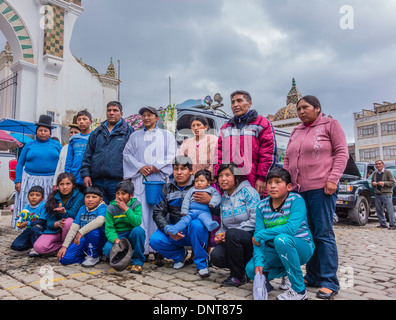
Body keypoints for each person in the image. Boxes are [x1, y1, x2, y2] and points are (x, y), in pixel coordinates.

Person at [283, 95, 349, 299]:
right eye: (298, 109)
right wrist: (286, 184)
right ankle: (312, 276)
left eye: (305, 107)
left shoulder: (330, 125)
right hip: (298, 191)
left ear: (317, 108)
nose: (301, 111)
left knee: (323, 234)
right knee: (307, 235)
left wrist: (333, 179)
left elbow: (341, 153)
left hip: (322, 189)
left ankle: (329, 280)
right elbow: (287, 159)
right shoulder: (296, 130)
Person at [245, 167, 315, 300]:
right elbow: (258, 239)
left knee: (281, 239)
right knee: (251, 269)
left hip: (301, 247)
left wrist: (262, 234)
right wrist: (259, 262)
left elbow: (291, 229)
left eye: (278, 182)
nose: (272, 186)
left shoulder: (296, 200)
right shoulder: (261, 206)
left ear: (289, 186)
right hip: (275, 250)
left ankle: (299, 291)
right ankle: (285, 273)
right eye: (269, 182)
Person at [149, 156, 218, 278]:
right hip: (176, 229)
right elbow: (158, 213)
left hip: (194, 230)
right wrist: (168, 230)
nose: (179, 172)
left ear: (191, 171)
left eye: (183, 169)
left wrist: (210, 200)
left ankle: (201, 264)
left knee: (197, 224)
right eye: (176, 169)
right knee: (154, 240)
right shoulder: (166, 188)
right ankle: (179, 256)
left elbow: (218, 210)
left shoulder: (200, 185)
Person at [123, 106, 177, 256]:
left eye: (150, 115)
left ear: (157, 118)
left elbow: (173, 154)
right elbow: (127, 154)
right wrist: (140, 167)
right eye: (144, 115)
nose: (146, 118)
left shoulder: (167, 135)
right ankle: (143, 249)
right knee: (141, 214)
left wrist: (157, 166)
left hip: (159, 179)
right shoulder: (135, 136)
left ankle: (159, 249)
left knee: (159, 212)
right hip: (141, 180)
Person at [215, 90, 277, 197]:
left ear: (249, 103)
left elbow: (267, 154)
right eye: (233, 102)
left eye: (239, 101)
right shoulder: (225, 128)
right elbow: (218, 155)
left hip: (254, 182)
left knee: (254, 213)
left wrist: (262, 178)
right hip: (230, 185)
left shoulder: (262, 123)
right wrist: (218, 177)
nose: (235, 105)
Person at [210, 163, 260, 287]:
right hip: (232, 239)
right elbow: (224, 225)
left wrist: (230, 233)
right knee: (216, 256)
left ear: (236, 177)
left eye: (227, 175)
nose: (223, 179)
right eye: (220, 176)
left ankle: (238, 276)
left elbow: (256, 220)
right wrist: (219, 235)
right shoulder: (224, 198)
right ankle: (244, 269)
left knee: (232, 233)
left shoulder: (249, 192)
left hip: (251, 238)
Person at [13, 115, 62, 229]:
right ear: (36, 131)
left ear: (50, 133)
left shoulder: (56, 145)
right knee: (30, 203)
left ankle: (44, 227)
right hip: (30, 179)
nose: (43, 133)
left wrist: (58, 182)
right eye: (40, 130)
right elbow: (20, 164)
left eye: (46, 130)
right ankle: (25, 228)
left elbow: (62, 164)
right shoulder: (29, 145)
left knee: (47, 204)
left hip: (50, 180)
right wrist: (18, 180)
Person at [80, 101, 134, 204]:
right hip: (97, 180)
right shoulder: (97, 132)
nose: (111, 113)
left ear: (121, 114)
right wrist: (86, 174)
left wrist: (129, 178)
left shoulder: (129, 132)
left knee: (117, 211)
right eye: (109, 110)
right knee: (99, 211)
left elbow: (133, 156)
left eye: (115, 110)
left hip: (119, 181)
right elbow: (88, 154)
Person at [33, 173, 85, 256]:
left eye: (68, 184)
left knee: (68, 222)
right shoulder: (53, 197)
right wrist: (57, 223)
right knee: (38, 247)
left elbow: (75, 215)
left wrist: (64, 212)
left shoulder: (80, 196)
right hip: (55, 231)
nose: (64, 187)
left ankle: (67, 247)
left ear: (73, 185)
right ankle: (63, 247)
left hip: (70, 230)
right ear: (58, 186)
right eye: (61, 184)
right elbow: (49, 222)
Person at [102, 180, 146, 274]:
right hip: (119, 235)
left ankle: (138, 261)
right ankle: (123, 257)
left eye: (123, 194)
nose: (119, 196)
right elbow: (109, 228)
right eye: (118, 193)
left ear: (131, 195)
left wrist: (126, 209)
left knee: (138, 231)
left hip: (131, 234)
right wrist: (116, 240)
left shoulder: (136, 205)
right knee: (107, 250)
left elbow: (137, 222)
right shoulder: (111, 207)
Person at [57, 186, 107, 267]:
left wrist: (81, 232)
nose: (90, 199)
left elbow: (100, 221)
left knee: (93, 232)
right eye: (87, 197)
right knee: (64, 259)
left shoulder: (103, 207)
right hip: (84, 239)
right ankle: (89, 257)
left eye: (94, 197)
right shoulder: (83, 208)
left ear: (101, 199)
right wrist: (64, 246)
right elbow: (74, 227)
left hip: (99, 240)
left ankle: (93, 256)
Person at [166, 169, 221, 235]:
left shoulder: (211, 189)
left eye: (202, 181)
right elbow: (186, 199)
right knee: (184, 220)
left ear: (208, 183)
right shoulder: (192, 190)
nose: (199, 183)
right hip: (191, 212)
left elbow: (217, 196)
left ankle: (210, 225)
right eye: (196, 181)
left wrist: (212, 202)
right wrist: (184, 210)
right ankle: (175, 229)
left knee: (206, 218)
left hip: (204, 211)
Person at [10, 186, 47, 256]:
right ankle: (31, 243)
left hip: (40, 230)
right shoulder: (26, 207)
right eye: (31, 195)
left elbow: (42, 221)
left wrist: (27, 223)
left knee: (35, 228)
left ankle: (37, 248)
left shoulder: (43, 206)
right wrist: (20, 221)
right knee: (15, 246)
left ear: (42, 198)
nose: (34, 197)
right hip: (29, 231)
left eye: (37, 195)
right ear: (28, 197)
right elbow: (23, 217)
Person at [65, 109, 93, 191]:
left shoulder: (94, 136)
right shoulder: (74, 138)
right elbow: (69, 159)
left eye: (84, 119)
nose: (81, 122)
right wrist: (68, 175)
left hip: (89, 177)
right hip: (75, 176)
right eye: (79, 119)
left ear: (91, 122)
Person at [53, 117, 81, 190]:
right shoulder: (65, 148)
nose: (73, 134)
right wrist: (55, 183)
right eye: (71, 132)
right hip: (64, 183)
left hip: (78, 180)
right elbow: (59, 166)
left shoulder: (84, 147)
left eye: (76, 132)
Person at [371, 160, 395, 230]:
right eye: (376, 164)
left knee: (389, 210)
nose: (378, 165)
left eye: (379, 164)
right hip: (377, 193)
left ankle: (392, 225)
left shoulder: (388, 172)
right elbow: (372, 181)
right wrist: (373, 183)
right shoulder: (375, 173)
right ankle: (383, 224)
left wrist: (383, 183)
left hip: (386, 194)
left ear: (383, 165)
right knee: (379, 210)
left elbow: (392, 182)